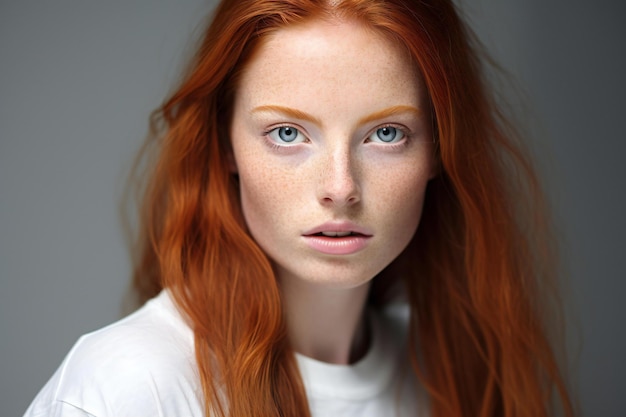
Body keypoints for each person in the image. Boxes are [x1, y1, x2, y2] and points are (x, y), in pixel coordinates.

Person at [23, 0, 575, 416]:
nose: (340, 187)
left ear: (438, 147)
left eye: (386, 133)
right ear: (225, 143)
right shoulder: (132, 386)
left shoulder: (444, 372)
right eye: (287, 133)